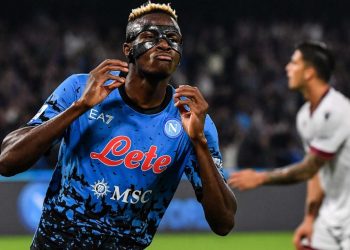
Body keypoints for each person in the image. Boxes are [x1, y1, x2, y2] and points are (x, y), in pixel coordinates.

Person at [0, 2, 237, 249]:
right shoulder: (80, 89)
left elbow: (224, 223)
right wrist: (79, 107)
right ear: (128, 48)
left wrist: (198, 142)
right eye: (150, 35)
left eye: (172, 38)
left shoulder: (191, 119)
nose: (165, 43)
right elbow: (7, 161)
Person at [228, 41, 350, 250]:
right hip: (332, 216)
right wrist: (310, 219)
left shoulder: (336, 110)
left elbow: (308, 168)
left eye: (294, 63)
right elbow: (316, 173)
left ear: (310, 72)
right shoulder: (304, 116)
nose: (287, 68)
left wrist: (261, 177)